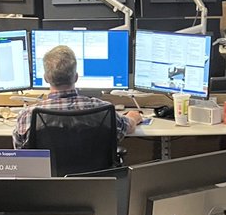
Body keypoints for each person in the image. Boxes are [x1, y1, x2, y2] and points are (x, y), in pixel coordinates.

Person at [14, 44, 142, 149]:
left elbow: (20, 154)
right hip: (94, 177)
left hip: (48, 179)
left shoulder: (27, 115)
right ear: (76, 77)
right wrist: (133, 117)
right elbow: (127, 127)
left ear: (46, 78)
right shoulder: (103, 109)